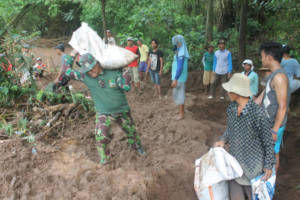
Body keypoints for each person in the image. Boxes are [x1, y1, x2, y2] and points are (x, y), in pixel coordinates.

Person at [63, 53, 145, 164]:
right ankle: (104, 158)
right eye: (88, 71)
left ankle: (137, 147)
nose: (91, 73)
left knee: (131, 132)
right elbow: (67, 71)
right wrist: (71, 55)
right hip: (104, 112)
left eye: (92, 69)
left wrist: (126, 75)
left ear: (97, 63)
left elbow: (126, 87)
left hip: (122, 111)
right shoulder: (85, 76)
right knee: (101, 136)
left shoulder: (113, 72)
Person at [215, 73, 275, 200]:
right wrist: (223, 139)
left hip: (253, 170)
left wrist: (269, 164)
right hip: (235, 168)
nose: (227, 92)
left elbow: (268, 142)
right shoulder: (231, 108)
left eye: (230, 89)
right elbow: (230, 128)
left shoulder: (258, 113)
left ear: (237, 91)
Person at [255, 42, 290, 172]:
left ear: (269, 57)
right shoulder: (273, 76)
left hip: (274, 125)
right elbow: (260, 98)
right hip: (267, 123)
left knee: (273, 154)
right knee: (269, 153)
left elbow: (283, 106)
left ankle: (270, 183)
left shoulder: (279, 77)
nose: (261, 59)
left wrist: (275, 129)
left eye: (262, 56)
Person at [171, 35, 189, 120]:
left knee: (179, 94)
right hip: (179, 77)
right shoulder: (180, 50)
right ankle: (182, 111)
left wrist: (175, 79)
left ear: (181, 42)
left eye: (177, 42)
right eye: (175, 42)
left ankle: (181, 114)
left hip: (179, 78)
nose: (176, 43)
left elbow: (180, 67)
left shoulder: (181, 53)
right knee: (179, 93)